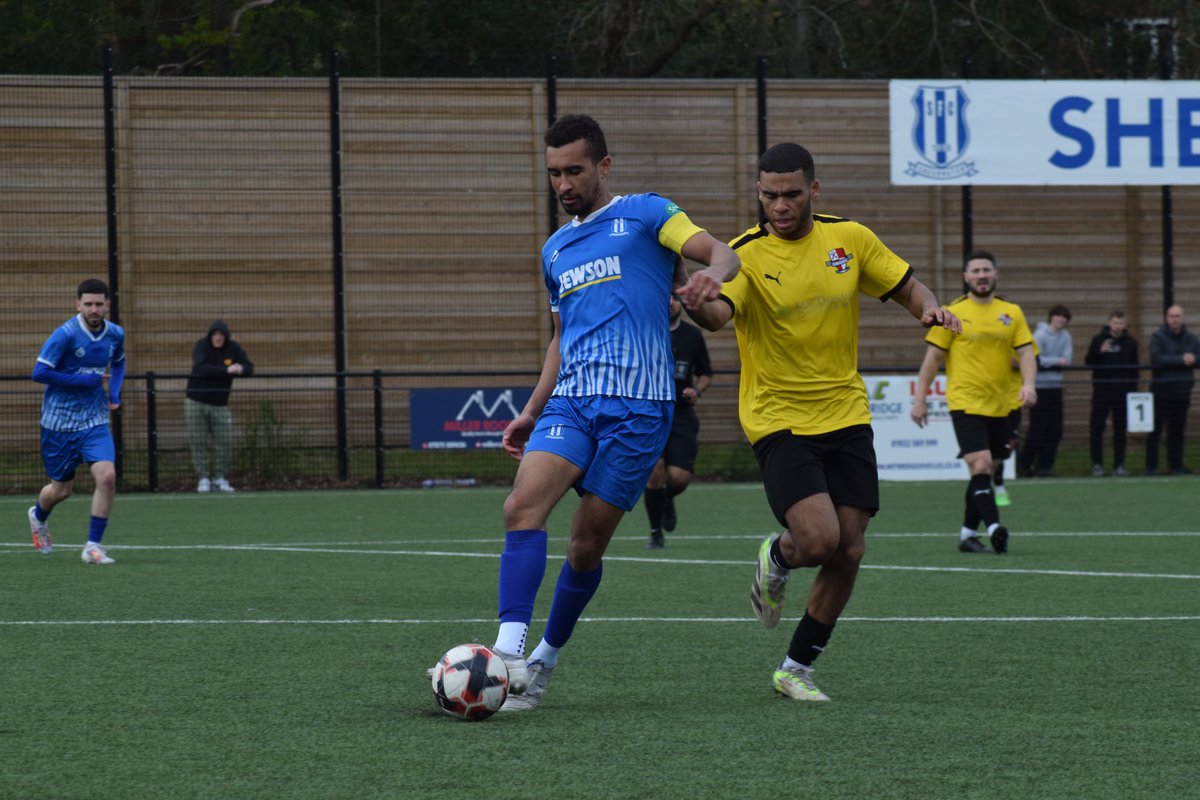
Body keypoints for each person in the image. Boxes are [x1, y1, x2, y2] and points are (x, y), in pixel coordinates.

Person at [468, 114, 741, 711]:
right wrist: (531, 410)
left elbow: (719, 251)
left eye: (574, 170)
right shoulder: (556, 248)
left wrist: (711, 281)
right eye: (553, 174)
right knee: (521, 507)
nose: (563, 184)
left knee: (586, 547)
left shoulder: (646, 213)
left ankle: (544, 660)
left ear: (603, 166)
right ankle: (505, 657)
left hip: (640, 410)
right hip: (572, 401)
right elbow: (562, 338)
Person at [685, 143, 960, 702]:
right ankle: (777, 555)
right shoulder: (744, 254)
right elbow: (719, 317)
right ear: (758, 193)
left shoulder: (849, 238)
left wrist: (929, 310)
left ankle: (796, 668)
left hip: (846, 411)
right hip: (777, 415)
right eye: (768, 195)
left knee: (851, 548)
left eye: (790, 194)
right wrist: (697, 300)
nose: (779, 206)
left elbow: (907, 285)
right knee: (817, 539)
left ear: (814, 190)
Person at [913, 250, 1036, 555]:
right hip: (966, 403)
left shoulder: (1012, 312)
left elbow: (1026, 353)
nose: (982, 275)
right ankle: (994, 527)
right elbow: (932, 359)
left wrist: (1029, 385)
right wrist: (920, 400)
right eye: (976, 270)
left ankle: (968, 534)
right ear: (966, 277)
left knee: (986, 468)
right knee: (980, 463)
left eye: (986, 270)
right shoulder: (953, 312)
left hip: (1004, 404)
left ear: (995, 274)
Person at [27, 278, 126, 565]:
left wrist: (115, 393)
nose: (94, 309)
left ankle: (93, 545)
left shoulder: (115, 334)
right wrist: (84, 381)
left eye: (99, 304)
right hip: (59, 423)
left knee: (107, 476)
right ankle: (38, 516)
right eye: (88, 304)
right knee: (61, 490)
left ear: (108, 305)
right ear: (78, 305)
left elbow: (118, 362)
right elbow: (39, 373)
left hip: (94, 419)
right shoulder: (65, 335)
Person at [643, 290, 713, 549]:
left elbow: (705, 373)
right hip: (651, 412)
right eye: (666, 297)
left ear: (681, 302)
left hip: (682, 414)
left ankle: (666, 498)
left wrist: (697, 390)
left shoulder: (692, 335)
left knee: (679, 478)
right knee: (655, 473)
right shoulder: (647, 330)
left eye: (675, 297)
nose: (671, 302)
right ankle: (655, 533)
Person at [185, 320, 254, 492]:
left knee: (224, 441)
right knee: (198, 441)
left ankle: (220, 478)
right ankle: (203, 478)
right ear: (210, 336)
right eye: (215, 334)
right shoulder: (202, 346)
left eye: (221, 335)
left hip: (220, 404)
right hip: (196, 402)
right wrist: (226, 370)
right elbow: (201, 367)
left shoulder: (234, 349)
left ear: (226, 336)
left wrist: (240, 369)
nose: (218, 338)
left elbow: (249, 367)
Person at [1145, 304, 1200, 475]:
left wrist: (1194, 359)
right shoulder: (1158, 336)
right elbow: (1157, 358)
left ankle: (1176, 465)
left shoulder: (1191, 338)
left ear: (1182, 318)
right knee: (1155, 430)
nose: (1174, 319)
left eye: (1178, 316)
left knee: (1177, 431)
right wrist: (1181, 360)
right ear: (1166, 318)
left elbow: (1198, 357)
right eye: (1171, 316)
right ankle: (1151, 466)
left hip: (1182, 391)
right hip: (1161, 391)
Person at [1019, 305, 1072, 477]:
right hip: (1039, 387)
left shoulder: (1066, 336)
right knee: (1037, 429)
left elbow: (1068, 359)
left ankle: (1045, 466)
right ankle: (1025, 465)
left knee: (1055, 430)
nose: (1061, 320)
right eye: (1058, 316)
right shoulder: (1040, 335)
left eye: (1064, 317)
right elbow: (1036, 359)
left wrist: (1049, 362)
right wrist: (1056, 362)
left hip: (1056, 387)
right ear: (1051, 317)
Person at [1084, 310, 1139, 476]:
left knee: (1120, 430)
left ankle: (1119, 464)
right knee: (1097, 428)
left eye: (1121, 323)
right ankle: (1097, 464)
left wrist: (1132, 391)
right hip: (1102, 391)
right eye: (1115, 323)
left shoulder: (1131, 342)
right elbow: (1089, 361)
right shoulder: (1098, 340)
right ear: (1109, 323)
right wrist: (1099, 352)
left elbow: (1134, 369)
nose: (1118, 326)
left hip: (1122, 392)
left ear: (1124, 324)